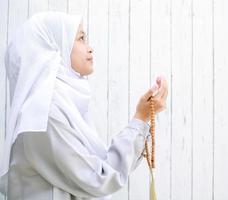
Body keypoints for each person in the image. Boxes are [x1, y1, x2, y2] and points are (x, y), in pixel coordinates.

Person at [0, 11, 168, 200]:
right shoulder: (43, 116)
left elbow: (98, 169)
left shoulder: (63, 106)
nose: (90, 48)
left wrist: (142, 118)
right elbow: (99, 178)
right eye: (80, 38)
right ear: (53, 49)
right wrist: (140, 119)